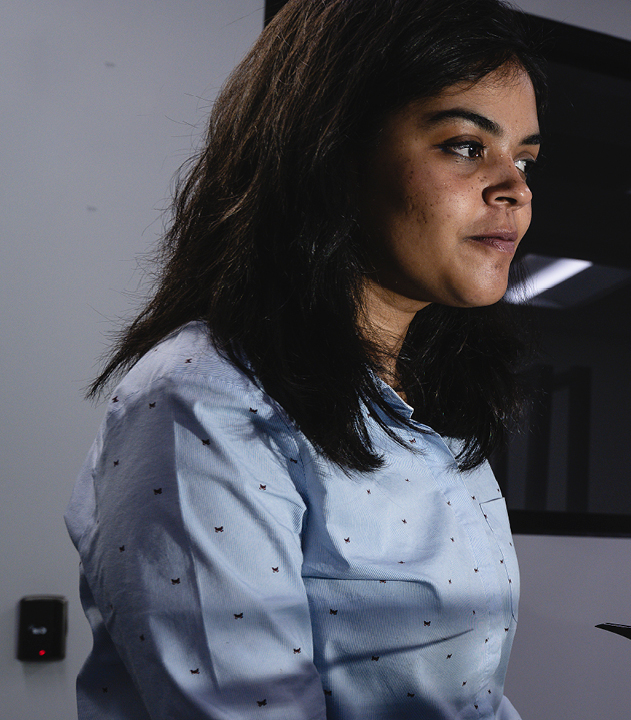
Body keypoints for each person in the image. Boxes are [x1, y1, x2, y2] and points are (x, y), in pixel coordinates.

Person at [64, 1, 543, 718]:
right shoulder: (206, 399)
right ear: (331, 153)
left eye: (525, 158)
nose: (516, 187)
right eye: (466, 146)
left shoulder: (426, 404)